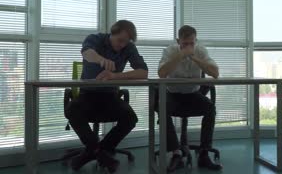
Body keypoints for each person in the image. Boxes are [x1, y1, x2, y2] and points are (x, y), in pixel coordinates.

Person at [65, 20, 148, 172]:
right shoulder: (95, 39)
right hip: (88, 94)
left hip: (110, 95)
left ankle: (93, 152)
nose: (122, 44)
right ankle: (101, 154)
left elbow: (143, 72)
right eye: (120, 40)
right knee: (72, 110)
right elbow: (86, 52)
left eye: (126, 42)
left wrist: (116, 76)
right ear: (112, 33)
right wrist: (100, 59)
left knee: (130, 118)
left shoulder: (128, 47)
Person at [158, 25, 222, 172]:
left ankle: (204, 154)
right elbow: (161, 73)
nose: (188, 46)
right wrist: (181, 55)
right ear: (177, 41)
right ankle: (176, 153)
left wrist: (194, 57)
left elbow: (215, 73)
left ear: (196, 41)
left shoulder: (200, 51)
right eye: (184, 44)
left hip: (193, 94)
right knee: (162, 108)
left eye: (191, 43)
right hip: (173, 94)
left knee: (210, 108)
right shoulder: (170, 51)